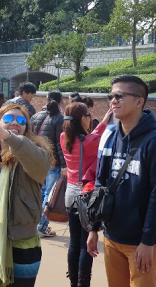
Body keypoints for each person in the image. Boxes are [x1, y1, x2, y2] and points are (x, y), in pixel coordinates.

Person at [87, 75, 156, 287]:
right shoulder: (110, 135)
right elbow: (100, 184)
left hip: (140, 242)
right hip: (111, 237)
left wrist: (148, 240)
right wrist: (93, 228)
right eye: (111, 96)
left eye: (119, 96)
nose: (113, 101)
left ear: (139, 101)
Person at [0, 104, 53, 287]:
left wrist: (7, 136)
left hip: (22, 245)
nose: (15, 123)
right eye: (8, 119)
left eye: (21, 121)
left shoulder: (34, 152)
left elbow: (41, 165)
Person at [60, 103, 112, 287]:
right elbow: (97, 135)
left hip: (69, 194)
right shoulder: (91, 141)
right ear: (83, 119)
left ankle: (74, 283)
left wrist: (103, 120)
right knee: (85, 245)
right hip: (86, 196)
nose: (90, 118)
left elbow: (94, 133)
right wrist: (106, 121)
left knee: (74, 243)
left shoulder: (63, 138)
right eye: (88, 115)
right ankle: (83, 283)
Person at [31, 90, 66, 238]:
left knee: (39, 192)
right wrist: (64, 165)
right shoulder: (59, 118)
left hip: (37, 160)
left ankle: (35, 224)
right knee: (49, 195)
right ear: (60, 102)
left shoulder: (36, 116)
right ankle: (41, 226)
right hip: (53, 162)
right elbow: (60, 144)